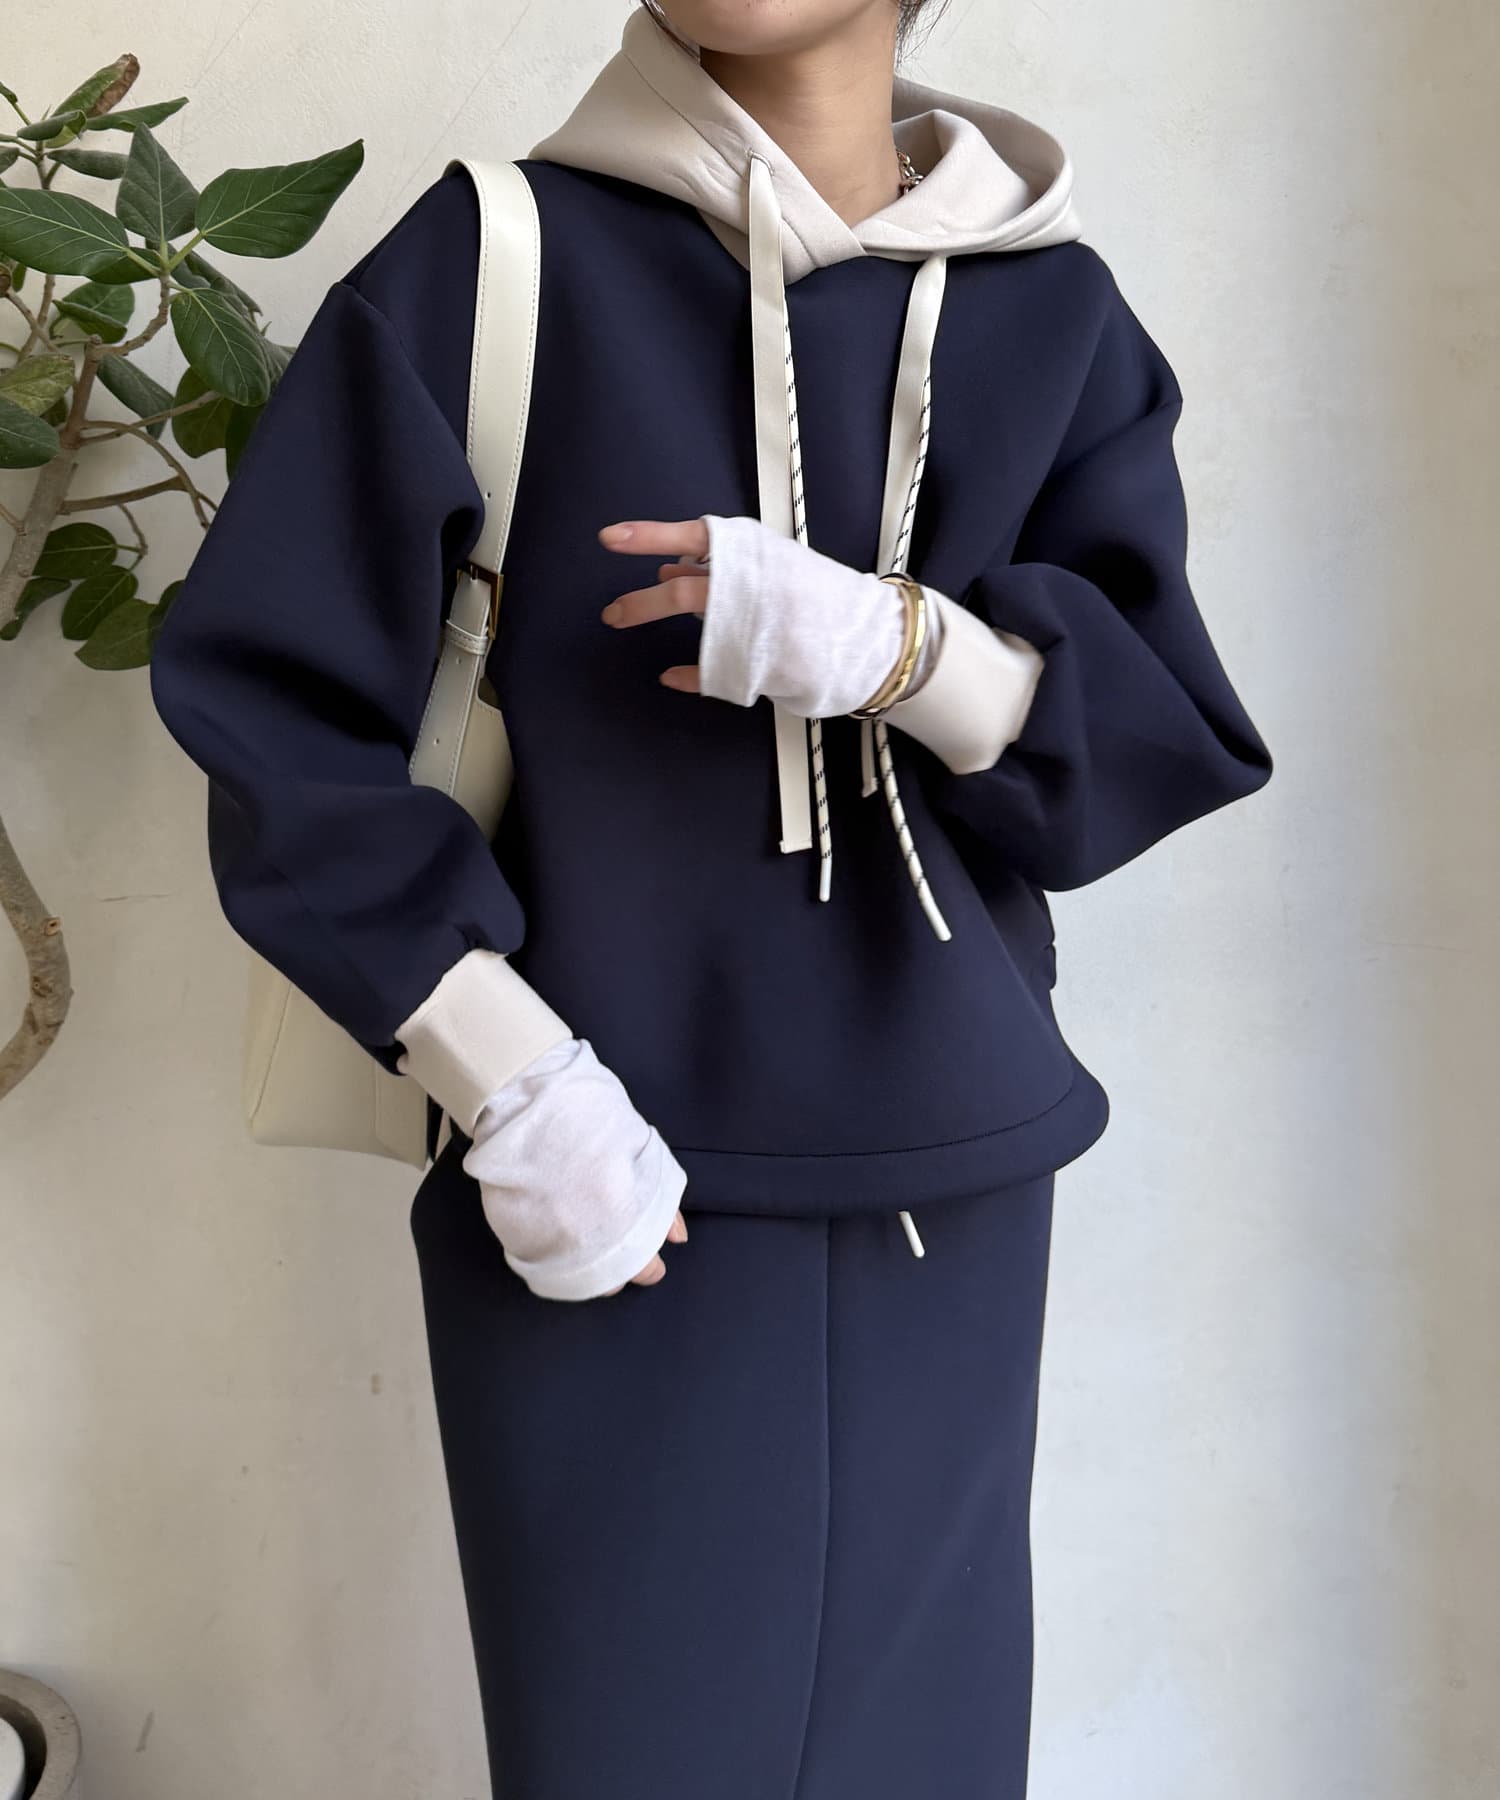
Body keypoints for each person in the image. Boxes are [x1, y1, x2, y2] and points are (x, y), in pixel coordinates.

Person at [149, 1, 1274, 1793]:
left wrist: (906, 654)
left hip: (955, 1179)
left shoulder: (1054, 309)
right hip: (598, 1182)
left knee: (929, 1760)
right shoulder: (490, 259)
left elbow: (1142, 749)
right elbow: (272, 709)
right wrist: (507, 1074)